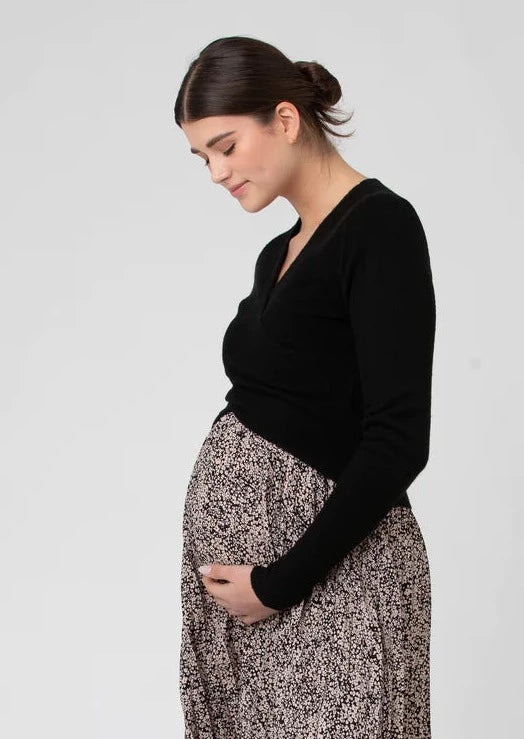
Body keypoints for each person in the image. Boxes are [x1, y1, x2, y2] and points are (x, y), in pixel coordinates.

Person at [174, 35, 435, 738]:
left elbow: (400, 438)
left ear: (285, 119)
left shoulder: (379, 227)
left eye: (225, 146)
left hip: (333, 584)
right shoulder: (276, 254)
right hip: (254, 606)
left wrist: (280, 581)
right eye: (202, 157)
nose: (216, 172)